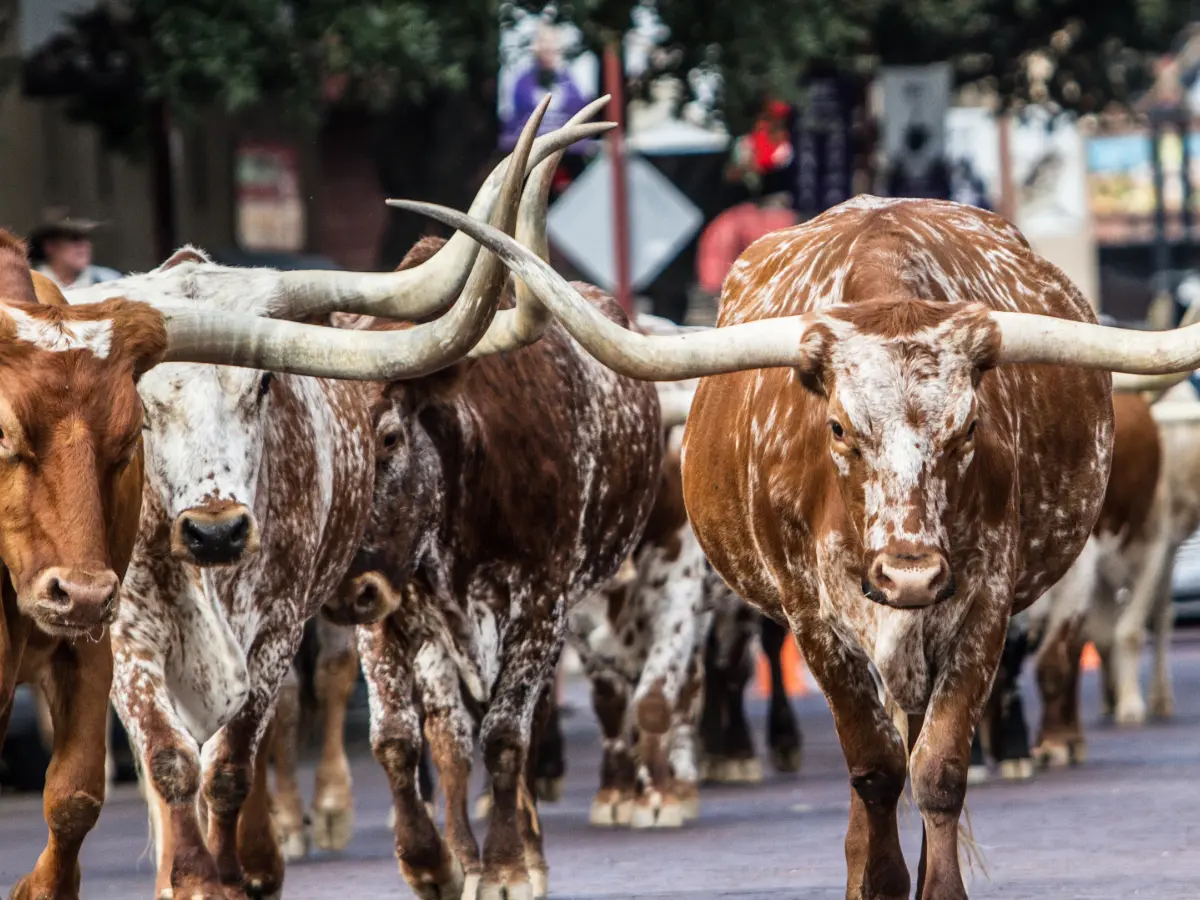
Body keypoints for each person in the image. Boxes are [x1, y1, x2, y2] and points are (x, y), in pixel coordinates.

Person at [500, 22, 590, 151]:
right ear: (536, 47)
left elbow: (579, 116)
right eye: (545, 43)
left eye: (553, 43)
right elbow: (515, 122)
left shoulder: (569, 83)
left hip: (565, 153)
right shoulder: (523, 83)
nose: (549, 48)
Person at [27, 211, 122, 291]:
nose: (85, 245)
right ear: (50, 246)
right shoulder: (28, 285)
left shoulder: (112, 282)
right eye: (75, 238)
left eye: (87, 238)